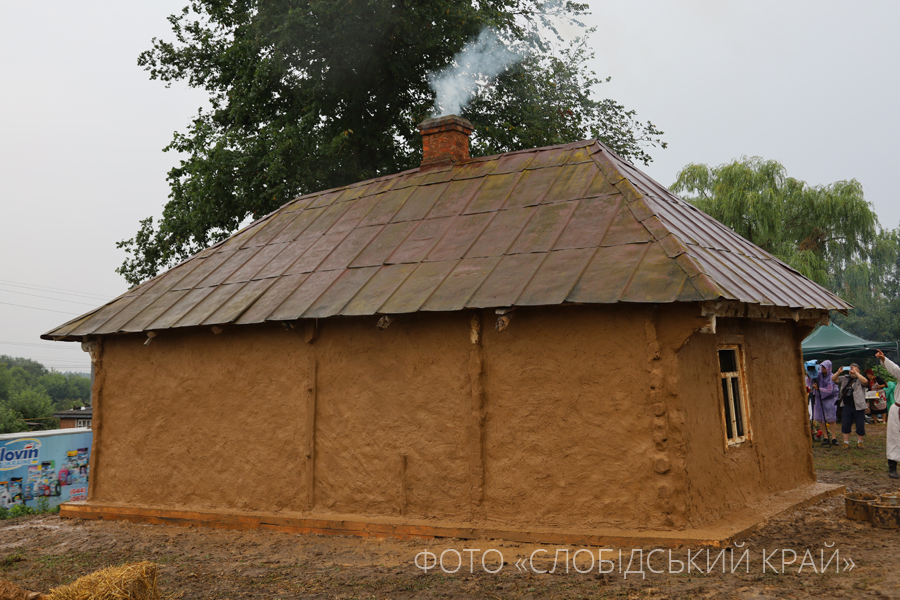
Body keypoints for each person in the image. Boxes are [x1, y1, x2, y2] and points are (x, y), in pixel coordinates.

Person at [875, 350, 900, 479]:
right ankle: (892, 467)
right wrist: (884, 359)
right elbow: (895, 369)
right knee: (894, 437)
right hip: (897, 410)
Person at [832, 363, 868, 449]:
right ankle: (846, 442)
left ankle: (860, 442)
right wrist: (838, 372)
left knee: (860, 424)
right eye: (851, 369)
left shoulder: (860, 378)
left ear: (858, 371)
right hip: (846, 405)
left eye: (855, 369)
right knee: (845, 424)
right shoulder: (845, 378)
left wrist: (856, 373)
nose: (852, 371)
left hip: (859, 405)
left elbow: (865, 382)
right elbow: (833, 379)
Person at [807, 360, 839, 446]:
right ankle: (825, 437)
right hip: (818, 399)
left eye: (824, 367)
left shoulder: (832, 377)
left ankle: (834, 438)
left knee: (831, 419)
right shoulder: (818, 375)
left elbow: (829, 390)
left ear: (829, 368)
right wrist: (809, 375)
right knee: (821, 419)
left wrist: (818, 389)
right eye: (822, 367)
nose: (823, 369)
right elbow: (809, 382)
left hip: (830, 400)